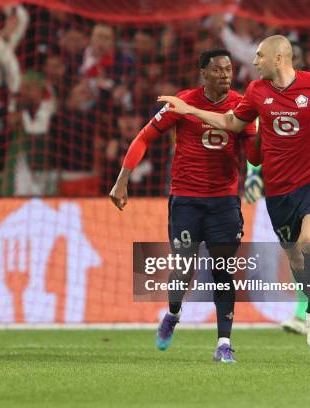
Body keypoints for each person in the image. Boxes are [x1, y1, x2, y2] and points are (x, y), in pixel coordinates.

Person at [157, 35, 310, 349]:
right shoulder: (256, 91)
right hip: (278, 188)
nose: (254, 62)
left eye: (259, 56)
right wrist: (189, 110)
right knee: (295, 258)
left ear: (278, 58)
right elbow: (232, 123)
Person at [110, 49, 261, 363]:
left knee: (223, 271)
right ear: (203, 73)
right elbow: (143, 137)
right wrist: (122, 179)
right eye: (217, 70)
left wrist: (260, 136)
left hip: (223, 202)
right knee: (183, 268)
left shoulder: (241, 106)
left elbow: (254, 157)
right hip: (186, 200)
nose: (224, 75)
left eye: (228, 69)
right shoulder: (181, 102)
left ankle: (223, 344)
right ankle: (173, 314)